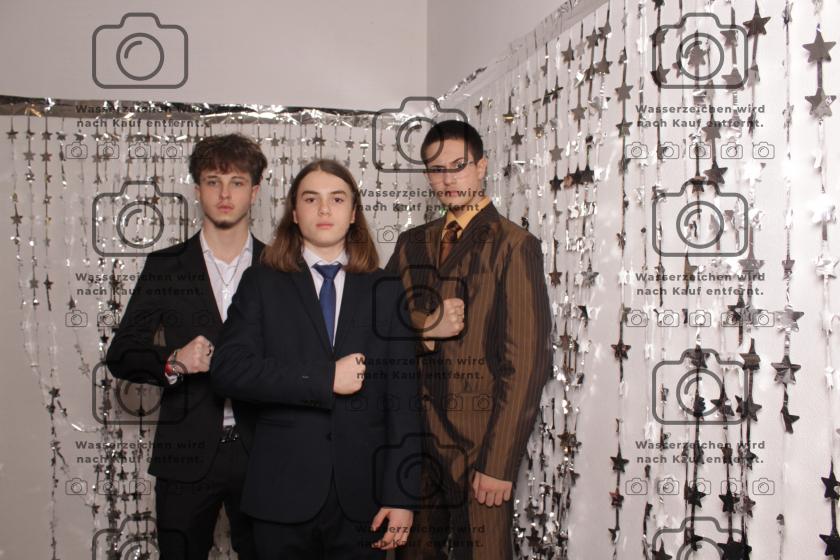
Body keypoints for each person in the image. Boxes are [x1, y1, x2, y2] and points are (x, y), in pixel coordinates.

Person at [210, 159, 421, 559]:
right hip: (280, 494)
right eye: (311, 199)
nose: (324, 209)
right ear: (294, 212)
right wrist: (324, 378)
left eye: (337, 199)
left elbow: (404, 400)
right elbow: (228, 370)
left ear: (353, 213)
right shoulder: (261, 282)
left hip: (363, 501)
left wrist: (402, 495)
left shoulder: (386, 288)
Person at [386, 120, 552, 559]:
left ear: (481, 166)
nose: (448, 179)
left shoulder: (515, 245)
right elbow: (376, 326)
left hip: (479, 450)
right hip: (413, 445)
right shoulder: (410, 243)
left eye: (457, 166)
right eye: (436, 169)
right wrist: (424, 328)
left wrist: (498, 464)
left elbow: (527, 364)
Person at [106, 133, 267, 559]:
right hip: (185, 453)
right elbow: (122, 353)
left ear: (254, 191)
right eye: (214, 181)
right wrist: (173, 360)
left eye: (236, 182)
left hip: (264, 453)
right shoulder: (165, 267)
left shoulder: (280, 266)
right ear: (198, 190)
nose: (225, 194)